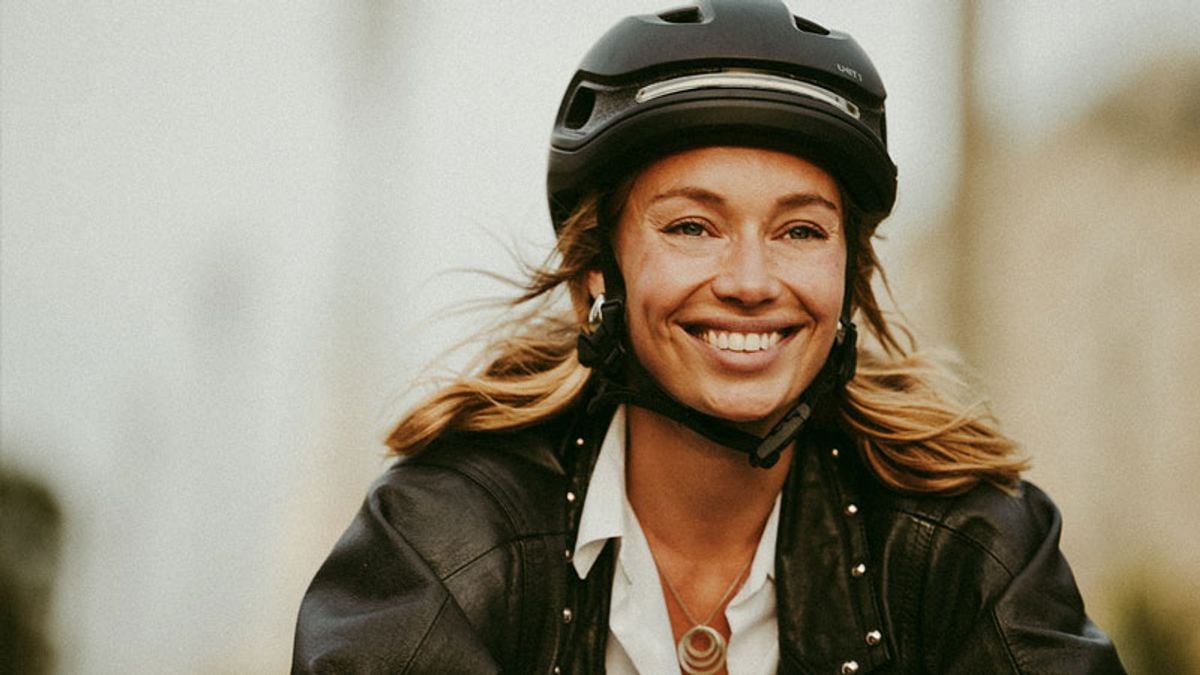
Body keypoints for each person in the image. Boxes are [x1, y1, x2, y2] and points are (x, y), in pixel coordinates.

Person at [293, 1, 1125, 673]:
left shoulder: (967, 545)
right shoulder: (446, 536)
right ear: (598, 276)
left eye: (801, 231)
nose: (752, 280)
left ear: (850, 279)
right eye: (693, 226)